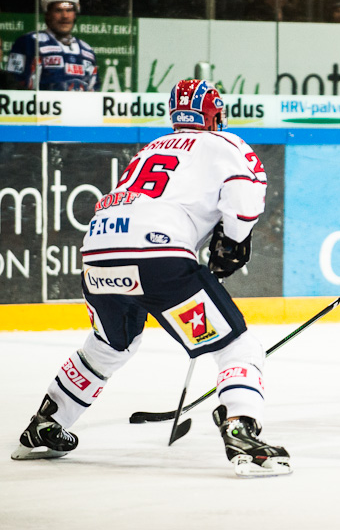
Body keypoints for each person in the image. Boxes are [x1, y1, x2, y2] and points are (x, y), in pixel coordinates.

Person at [10, 79, 291, 477]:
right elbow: (244, 200)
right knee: (238, 346)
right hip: (157, 257)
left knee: (110, 345)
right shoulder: (225, 144)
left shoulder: (151, 147)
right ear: (215, 114)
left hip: (98, 255)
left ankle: (45, 424)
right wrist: (234, 241)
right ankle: (241, 430)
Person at [5, 0, 98, 91]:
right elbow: (14, 85)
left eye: (69, 10)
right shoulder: (29, 42)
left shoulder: (87, 51)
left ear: (75, 14)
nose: (65, 16)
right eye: (58, 10)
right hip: (41, 107)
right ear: (47, 14)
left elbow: (94, 91)